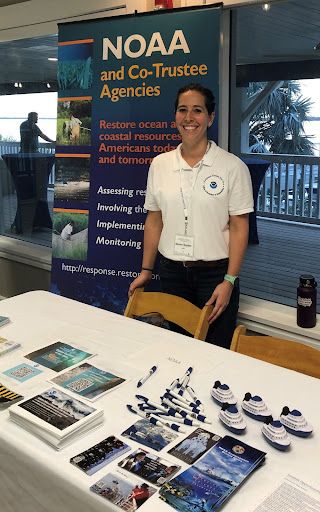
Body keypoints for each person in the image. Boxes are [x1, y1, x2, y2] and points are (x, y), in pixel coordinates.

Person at [129, 83, 253, 348]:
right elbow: (154, 220)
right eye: (182, 110)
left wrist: (229, 281)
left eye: (197, 110)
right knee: (177, 349)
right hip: (172, 274)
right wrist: (146, 270)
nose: (189, 118)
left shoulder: (232, 167)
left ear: (211, 117)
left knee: (215, 350)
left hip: (216, 276)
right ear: (175, 116)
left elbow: (240, 227)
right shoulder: (160, 164)